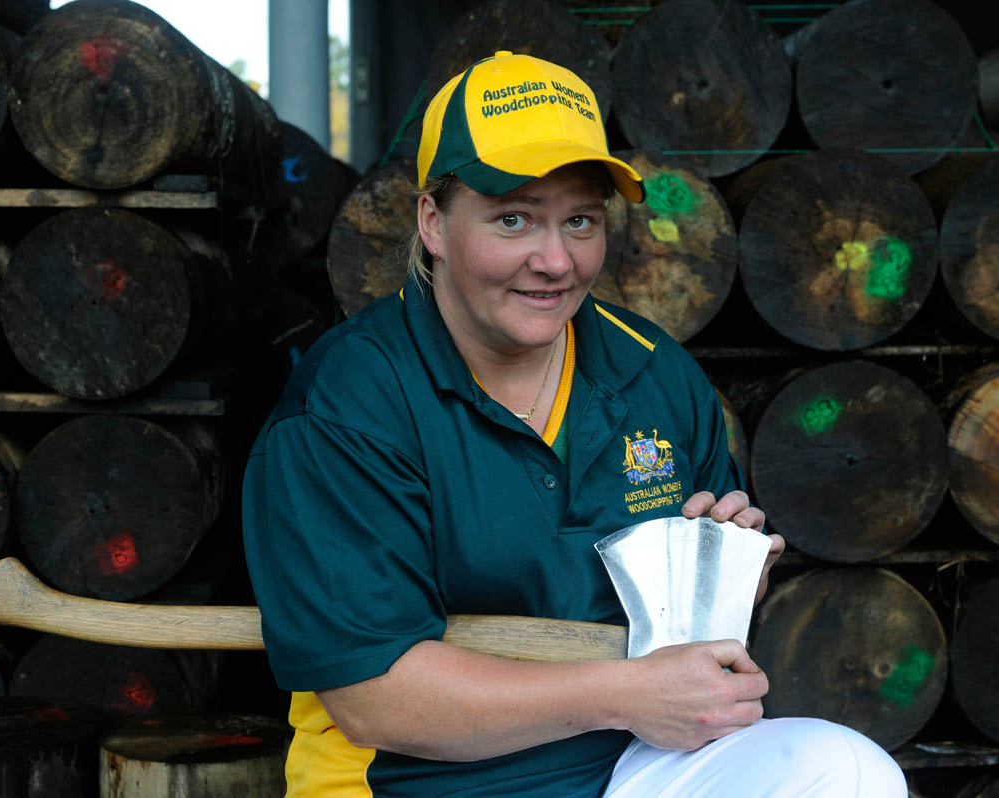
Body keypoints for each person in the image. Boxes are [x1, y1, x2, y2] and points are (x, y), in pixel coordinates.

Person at [243, 51, 907, 797]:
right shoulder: (347, 407)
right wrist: (623, 695)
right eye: (514, 218)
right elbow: (377, 698)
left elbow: (694, 637)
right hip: (417, 782)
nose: (555, 260)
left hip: (631, 761)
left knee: (847, 772)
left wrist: (719, 569)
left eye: (580, 220)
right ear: (432, 221)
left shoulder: (650, 370)